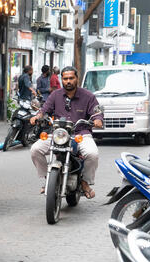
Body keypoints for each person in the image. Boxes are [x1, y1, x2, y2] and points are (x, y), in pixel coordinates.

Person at [29, 66, 103, 199]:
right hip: (59, 134)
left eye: (71, 78)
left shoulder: (88, 96)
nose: (68, 81)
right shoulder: (55, 95)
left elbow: (97, 113)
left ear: (77, 79)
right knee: (35, 149)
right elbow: (44, 110)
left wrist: (97, 120)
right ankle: (48, 179)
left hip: (80, 134)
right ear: (61, 79)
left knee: (93, 154)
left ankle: (85, 182)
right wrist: (37, 117)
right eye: (65, 78)